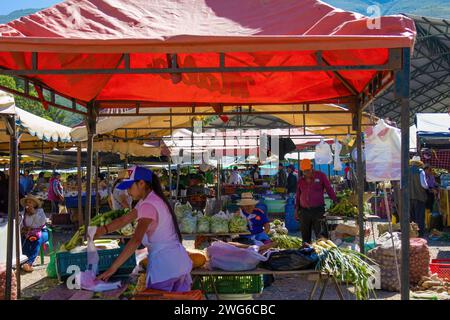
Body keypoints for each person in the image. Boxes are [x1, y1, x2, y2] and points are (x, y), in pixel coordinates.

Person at [95, 166, 192, 292]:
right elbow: (124, 220)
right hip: (179, 265)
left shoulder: (147, 205)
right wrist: (102, 230)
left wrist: (112, 269)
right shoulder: (151, 199)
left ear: (141, 183)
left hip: (164, 268)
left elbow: (136, 240)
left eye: (130, 187)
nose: (128, 192)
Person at [295, 159, 337, 244]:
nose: (306, 173)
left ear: (312, 167)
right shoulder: (300, 180)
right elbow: (298, 195)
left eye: (307, 170)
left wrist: (335, 200)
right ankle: (306, 251)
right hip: (304, 211)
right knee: (305, 236)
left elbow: (329, 189)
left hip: (318, 210)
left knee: (320, 235)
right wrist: (296, 209)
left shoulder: (321, 176)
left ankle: (322, 251)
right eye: (304, 171)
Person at [19, 195, 48, 273]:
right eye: (27, 202)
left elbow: (42, 222)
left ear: (35, 204)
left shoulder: (40, 211)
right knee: (24, 241)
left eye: (30, 202)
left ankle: (29, 263)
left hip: (41, 232)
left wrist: (34, 213)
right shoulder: (22, 213)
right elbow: (20, 224)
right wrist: (23, 229)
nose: (28, 204)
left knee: (37, 241)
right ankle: (24, 261)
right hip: (28, 233)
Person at [409, 157, 429, 237]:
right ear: (419, 163)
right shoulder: (421, 171)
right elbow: (424, 185)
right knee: (420, 217)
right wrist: (428, 187)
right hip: (419, 197)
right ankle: (420, 235)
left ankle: (412, 234)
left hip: (409, 197)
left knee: (412, 217)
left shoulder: (407, 171)